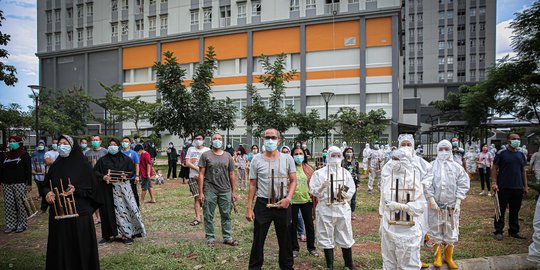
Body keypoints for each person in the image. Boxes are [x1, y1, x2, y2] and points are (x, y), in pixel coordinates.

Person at [43, 134, 102, 269]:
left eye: (65, 143)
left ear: (73, 146)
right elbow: (45, 185)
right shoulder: (55, 166)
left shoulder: (84, 166)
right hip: (58, 212)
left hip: (79, 213)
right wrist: (47, 193)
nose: (61, 146)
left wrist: (76, 190)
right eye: (59, 143)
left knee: (80, 246)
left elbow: (93, 190)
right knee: (60, 245)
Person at [246, 128, 297, 270]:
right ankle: (255, 267)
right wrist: (249, 208)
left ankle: (287, 266)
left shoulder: (287, 159)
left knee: (286, 239)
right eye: (267, 137)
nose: (270, 140)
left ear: (279, 140)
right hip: (263, 203)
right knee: (258, 239)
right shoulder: (256, 159)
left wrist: (288, 198)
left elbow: (293, 181)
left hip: (283, 203)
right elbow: (252, 184)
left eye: (273, 138)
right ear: (263, 140)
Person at [379, 147, 426, 270]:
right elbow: (383, 202)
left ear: (404, 161)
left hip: (408, 229)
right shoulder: (388, 179)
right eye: (393, 159)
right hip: (389, 226)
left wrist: (401, 206)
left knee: (409, 263)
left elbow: (420, 207)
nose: (393, 162)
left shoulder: (414, 181)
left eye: (396, 159)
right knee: (389, 262)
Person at [310, 146, 356, 270]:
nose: (335, 158)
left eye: (338, 155)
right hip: (326, 208)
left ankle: (349, 263)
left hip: (341, 207)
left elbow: (350, 187)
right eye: (333, 155)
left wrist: (344, 194)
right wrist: (321, 188)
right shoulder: (319, 173)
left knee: (345, 233)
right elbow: (313, 190)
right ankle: (330, 265)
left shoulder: (345, 173)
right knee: (326, 234)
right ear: (328, 156)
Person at [427, 139, 470, 269]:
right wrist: (432, 200)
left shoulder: (457, 167)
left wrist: (458, 201)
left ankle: (449, 257)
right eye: (441, 149)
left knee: (451, 229)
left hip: (452, 205)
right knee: (436, 229)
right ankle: (437, 256)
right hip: (435, 205)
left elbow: (463, 184)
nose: (444, 152)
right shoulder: (431, 166)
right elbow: (427, 184)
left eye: (447, 149)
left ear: (451, 150)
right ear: (437, 151)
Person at [94, 138, 146, 245]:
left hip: (122, 190)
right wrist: (103, 177)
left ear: (118, 146)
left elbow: (131, 171)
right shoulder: (102, 160)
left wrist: (125, 175)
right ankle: (107, 235)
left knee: (124, 212)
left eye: (114, 144)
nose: (112, 146)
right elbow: (95, 172)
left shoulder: (126, 159)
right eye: (110, 145)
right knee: (107, 211)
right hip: (107, 190)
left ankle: (126, 234)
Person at [197, 133, 238, 247]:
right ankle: (210, 237)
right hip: (210, 189)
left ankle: (227, 237)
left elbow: (231, 174)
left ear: (223, 142)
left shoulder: (228, 156)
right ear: (211, 141)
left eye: (219, 139)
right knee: (208, 214)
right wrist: (201, 192)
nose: (217, 141)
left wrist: (233, 191)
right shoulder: (205, 155)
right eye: (215, 139)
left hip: (225, 189)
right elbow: (201, 174)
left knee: (226, 214)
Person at [492, 133, 528, 241]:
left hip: (517, 187)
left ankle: (514, 231)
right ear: (508, 141)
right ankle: (498, 231)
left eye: (518, 139)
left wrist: (525, 186)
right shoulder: (501, 153)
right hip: (503, 186)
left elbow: (523, 171)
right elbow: (494, 168)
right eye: (514, 139)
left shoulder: (521, 154)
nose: (517, 141)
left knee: (515, 210)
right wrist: (494, 182)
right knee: (500, 209)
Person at [289, 146, 319, 258]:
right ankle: (294, 248)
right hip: (293, 201)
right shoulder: (289, 168)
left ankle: (311, 248)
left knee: (309, 225)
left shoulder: (308, 169)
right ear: (292, 156)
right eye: (296, 154)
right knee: (292, 225)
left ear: (304, 155)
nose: (298, 156)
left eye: (300, 153)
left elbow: (314, 184)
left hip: (307, 200)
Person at [0, 135, 32, 233]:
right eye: (10, 141)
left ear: (19, 143)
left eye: (14, 141)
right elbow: (0, 170)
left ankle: (21, 224)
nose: (11, 143)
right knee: (9, 205)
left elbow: (28, 170)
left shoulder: (24, 155)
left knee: (20, 204)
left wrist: (29, 184)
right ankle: (11, 225)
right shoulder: (5, 156)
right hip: (6, 184)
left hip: (19, 184)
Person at [186, 134, 210, 226]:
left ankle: (207, 217)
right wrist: (198, 169)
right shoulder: (191, 149)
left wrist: (201, 173)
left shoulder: (207, 150)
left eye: (200, 139)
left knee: (206, 197)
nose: (198, 140)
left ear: (203, 140)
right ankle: (198, 218)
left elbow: (209, 163)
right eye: (196, 139)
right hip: (193, 177)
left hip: (205, 177)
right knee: (197, 197)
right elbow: (187, 162)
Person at [85, 135, 108, 224]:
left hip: (103, 178)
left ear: (100, 141)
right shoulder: (87, 153)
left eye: (97, 140)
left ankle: (104, 216)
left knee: (104, 198)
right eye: (93, 140)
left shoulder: (105, 151)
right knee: (95, 198)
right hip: (92, 179)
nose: (95, 141)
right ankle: (98, 217)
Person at [121, 137, 141, 207]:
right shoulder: (119, 153)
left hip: (132, 177)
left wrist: (137, 176)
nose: (124, 143)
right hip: (121, 178)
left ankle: (137, 208)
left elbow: (137, 165)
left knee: (134, 193)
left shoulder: (133, 153)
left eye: (126, 141)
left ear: (129, 143)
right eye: (123, 141)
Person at [342, 147, 360, 220]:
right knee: (342, 196)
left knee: (353, 198)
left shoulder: (356, 162)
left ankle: (352, 212)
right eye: (348, 152)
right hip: (344, 182)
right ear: (345, 153)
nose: (349, 153)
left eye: (351, 152)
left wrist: (358, 182)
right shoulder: (342, 162)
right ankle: (343, 211)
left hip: (353, 182)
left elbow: (358, 172)